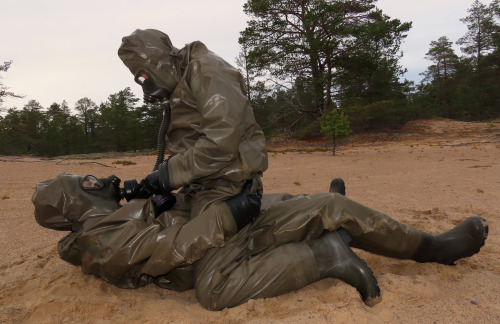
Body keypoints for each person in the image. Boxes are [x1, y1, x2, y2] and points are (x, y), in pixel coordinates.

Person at [32, 174, 488, 310]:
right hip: (217, 248)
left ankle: (435, 248)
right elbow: (166, 251)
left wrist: (170, 194)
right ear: (71, 204)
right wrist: (226, 214)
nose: (105, 178)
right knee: (216, 291)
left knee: (329, 210)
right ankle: (326, 246)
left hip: (227, 233)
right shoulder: (93, 241)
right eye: (88, 181)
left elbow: (178, 220)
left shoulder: (114, 216)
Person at [115, 29, 269, 276]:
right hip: (201, 184)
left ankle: (323, 248)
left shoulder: (208, 71)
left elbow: (222, 142)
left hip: (228, 184)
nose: (145, 83)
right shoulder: (182, 80)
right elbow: (193, 141)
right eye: (139, 78)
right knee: (159, 231)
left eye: (144, 75)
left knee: (212, 277)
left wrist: (169, 174)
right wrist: (158, 182)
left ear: (157, 62)